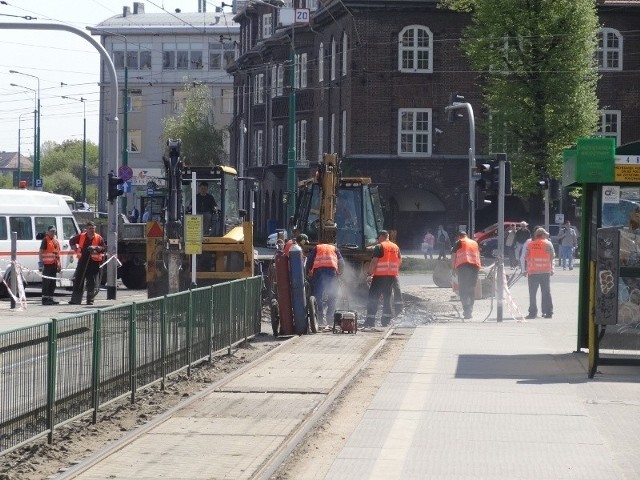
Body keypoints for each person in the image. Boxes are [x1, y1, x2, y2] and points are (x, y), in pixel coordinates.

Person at [363, 230, 402, 329]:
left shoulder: (380, 246)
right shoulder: (395, 247)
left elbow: (374, 261)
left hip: (380, 276)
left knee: (373, 297)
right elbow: (399, 261)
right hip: (391, 277)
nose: (377, 239)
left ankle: (370, 320)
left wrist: (369, 273)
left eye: (378, 237)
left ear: (381, 236)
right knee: (387, 297)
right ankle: (386, 321)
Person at [305, 242, 345, 325]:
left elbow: (309, 260)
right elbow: (342, 263)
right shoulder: (334, 249)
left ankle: (319, 318)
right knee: (332, 295)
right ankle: (330, 319)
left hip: (318, 272)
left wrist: (307, 272)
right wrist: (339, 274)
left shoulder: (317, 248)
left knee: (318, 295)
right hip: (332, 271)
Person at [521, 227, 555, 319]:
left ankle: (532, 313)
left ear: (536, 235)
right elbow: (552, 257)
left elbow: (526, 257)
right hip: (545, 272)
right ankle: (549, 312)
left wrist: (526, 269)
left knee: (532, 294)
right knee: (546, 292)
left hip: (533, 272)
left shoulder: (530, 244)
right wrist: (552, 269)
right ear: (543, 235)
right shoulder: (548, 244)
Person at [69, 221, 106, 306]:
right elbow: (72, 241)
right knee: (79, 279)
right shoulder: (81, 236)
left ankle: (90, 300)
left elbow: (103, 248)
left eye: (93, 228)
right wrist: (75, 249)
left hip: (94, 263)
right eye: (90, 228)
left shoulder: (98, 238)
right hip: (83, 261)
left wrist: (96, 248)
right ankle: (76, 300)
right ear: (87, 229)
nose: (91, 230)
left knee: (91, 282)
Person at [451, 229, 481, 319]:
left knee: (463, 290)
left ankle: (466, 311)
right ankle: (470, 311)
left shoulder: (459, 242)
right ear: (466, 235)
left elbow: (453, 255)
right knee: (471, 289)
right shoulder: (474, 243)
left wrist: (453, 268)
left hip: (463, 267)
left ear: (459, 236)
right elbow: (478, 255)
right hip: (474, 268)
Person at [39, 225, 61, 305]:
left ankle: (50, 298)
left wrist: (59, 265)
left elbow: (57, 254)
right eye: (51, 231)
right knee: (46, 282)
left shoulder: (55, 241)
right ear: (48, 232)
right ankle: (45, 299)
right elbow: (41, 252)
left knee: (52, 283)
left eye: (54, 231)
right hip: (47, 265)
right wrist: (41, 264)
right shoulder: (45, 240)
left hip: (54, 264)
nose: (53, 232)